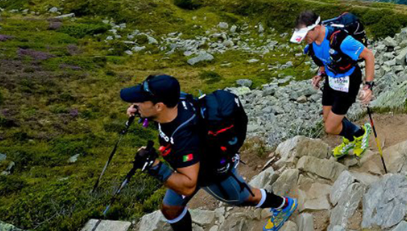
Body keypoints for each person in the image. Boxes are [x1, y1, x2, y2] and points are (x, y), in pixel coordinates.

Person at [120, 75, 297, 231]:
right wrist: (142, 113)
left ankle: (284, 205)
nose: (134, 104)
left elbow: (188, 184)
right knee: (171, 208)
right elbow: (166, 120)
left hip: (209, 172)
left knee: (244, 197)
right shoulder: (173, 103)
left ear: (159, 106)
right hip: (187, 166)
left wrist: (156, 167)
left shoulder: (184, 137)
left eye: (140, 101)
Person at [291, 10, 376, 158]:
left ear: (316, 28)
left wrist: (368, 86)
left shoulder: (340, 39)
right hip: (331, 79)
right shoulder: (312, 44)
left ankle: (361, 134)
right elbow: (324, 60)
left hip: (348, 81)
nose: (304, 38)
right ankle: (352, 138)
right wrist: (320, 74)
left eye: (306, 34)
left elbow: (369, 55)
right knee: (327, 119)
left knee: (330, 127)